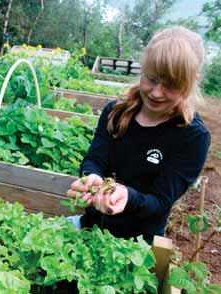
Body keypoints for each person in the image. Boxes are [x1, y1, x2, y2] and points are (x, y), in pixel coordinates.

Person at [66, 26, 211, 244]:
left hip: (138, 246)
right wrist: (91, 176)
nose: (156, 92)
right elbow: (95, 159)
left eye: (170, 85)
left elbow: (161, 201)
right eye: (152, 79)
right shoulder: (115, 112)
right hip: (91, 227)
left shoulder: (192, 136)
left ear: (190, 82)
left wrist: (129, 197)